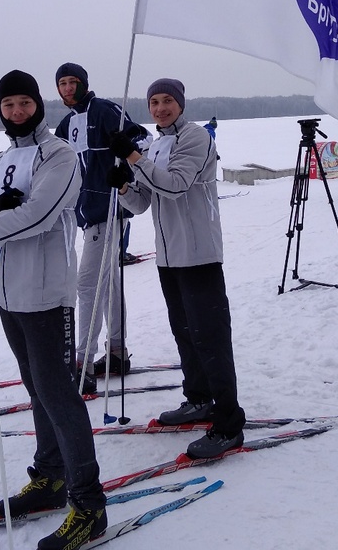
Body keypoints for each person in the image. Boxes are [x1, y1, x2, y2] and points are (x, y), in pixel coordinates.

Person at [0, 69, 106, 550]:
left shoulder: (58, 154)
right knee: (36, 390)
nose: (17, 112)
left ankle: (88, 506)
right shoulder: (0, 158)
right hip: (9, 296)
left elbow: (39, 214)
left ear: (38, 105)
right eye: (9, 105)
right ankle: (50, 476)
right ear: (0, 109)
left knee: (59, 394)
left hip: (47, 295)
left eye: (25, 103)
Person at [107, 77, 247, 460]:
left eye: (168, 100)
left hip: (199, 254)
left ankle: (229, 422)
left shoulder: (196, 139)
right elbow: (144, 204)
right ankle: (199, 398)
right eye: (154, 102)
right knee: (184, 332)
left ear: (181, 104)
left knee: (210, 337)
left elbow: (176, 186)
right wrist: (123, 186)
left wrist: (136, 160)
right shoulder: (156, 144)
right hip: (169, 257)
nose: (161, 108)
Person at [53, 62, 150, 392]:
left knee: (87, 283)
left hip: (109, 210)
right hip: (87, 214)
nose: (67, 88)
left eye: (72, 82)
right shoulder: (66, 125)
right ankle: (117, 351)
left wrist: (127, 169)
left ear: (83, 83)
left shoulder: (104, 110)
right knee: (107, 284)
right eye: (61, 83)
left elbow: (141, 138)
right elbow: (55, 166)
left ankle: (83, 363)